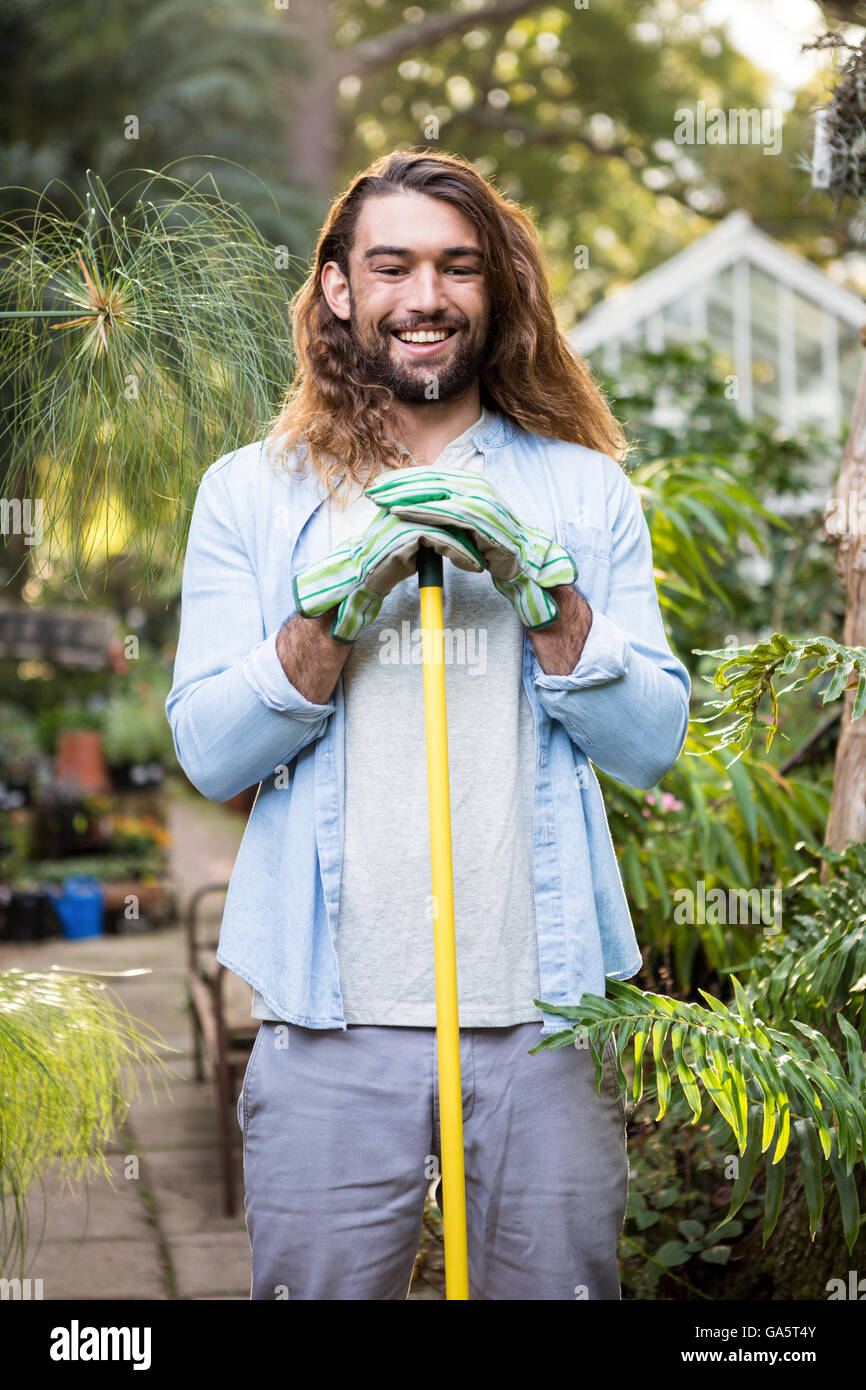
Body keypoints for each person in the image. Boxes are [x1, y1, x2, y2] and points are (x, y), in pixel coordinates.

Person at [165, 149, 691, 1301]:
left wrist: (540, 589)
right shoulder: (251, 495)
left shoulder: (582, 490)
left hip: (544, 1020)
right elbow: (208, 751)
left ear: (492, 291)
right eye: (391, 265)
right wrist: (327, 613)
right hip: (326, 1023)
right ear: (339, 288)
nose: (425, 297)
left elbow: (650, 741)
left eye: (456, 267)